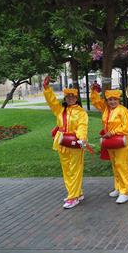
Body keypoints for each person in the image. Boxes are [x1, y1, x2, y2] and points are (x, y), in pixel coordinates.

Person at [43, 76, 88, 209]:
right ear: (65, 98)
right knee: (67, 170)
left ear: (76, 98)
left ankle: (73, 197)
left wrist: (82, 138)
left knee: (75, 170)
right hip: (62, 143)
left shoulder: (81, 113)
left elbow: (82, 126)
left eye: (72, 97)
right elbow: (52, 102)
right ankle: (76, 193)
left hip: (75, 143)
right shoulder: (60, 110)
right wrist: (47, 89)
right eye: (68, 97)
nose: (70, 99)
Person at [91, 86, 128, 204]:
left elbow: (126, 126)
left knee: (121, 164)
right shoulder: (106, 109)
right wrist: (94, 91)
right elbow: (96, 102)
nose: (112, 102)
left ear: (119, 100)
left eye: (115, 99)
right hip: (110, 141)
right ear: (107, 100)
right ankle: (118, 187)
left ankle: (125, 192)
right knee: (114, 164)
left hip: (121, 140)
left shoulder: (123, 110)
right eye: (110, 99)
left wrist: (113, 132)